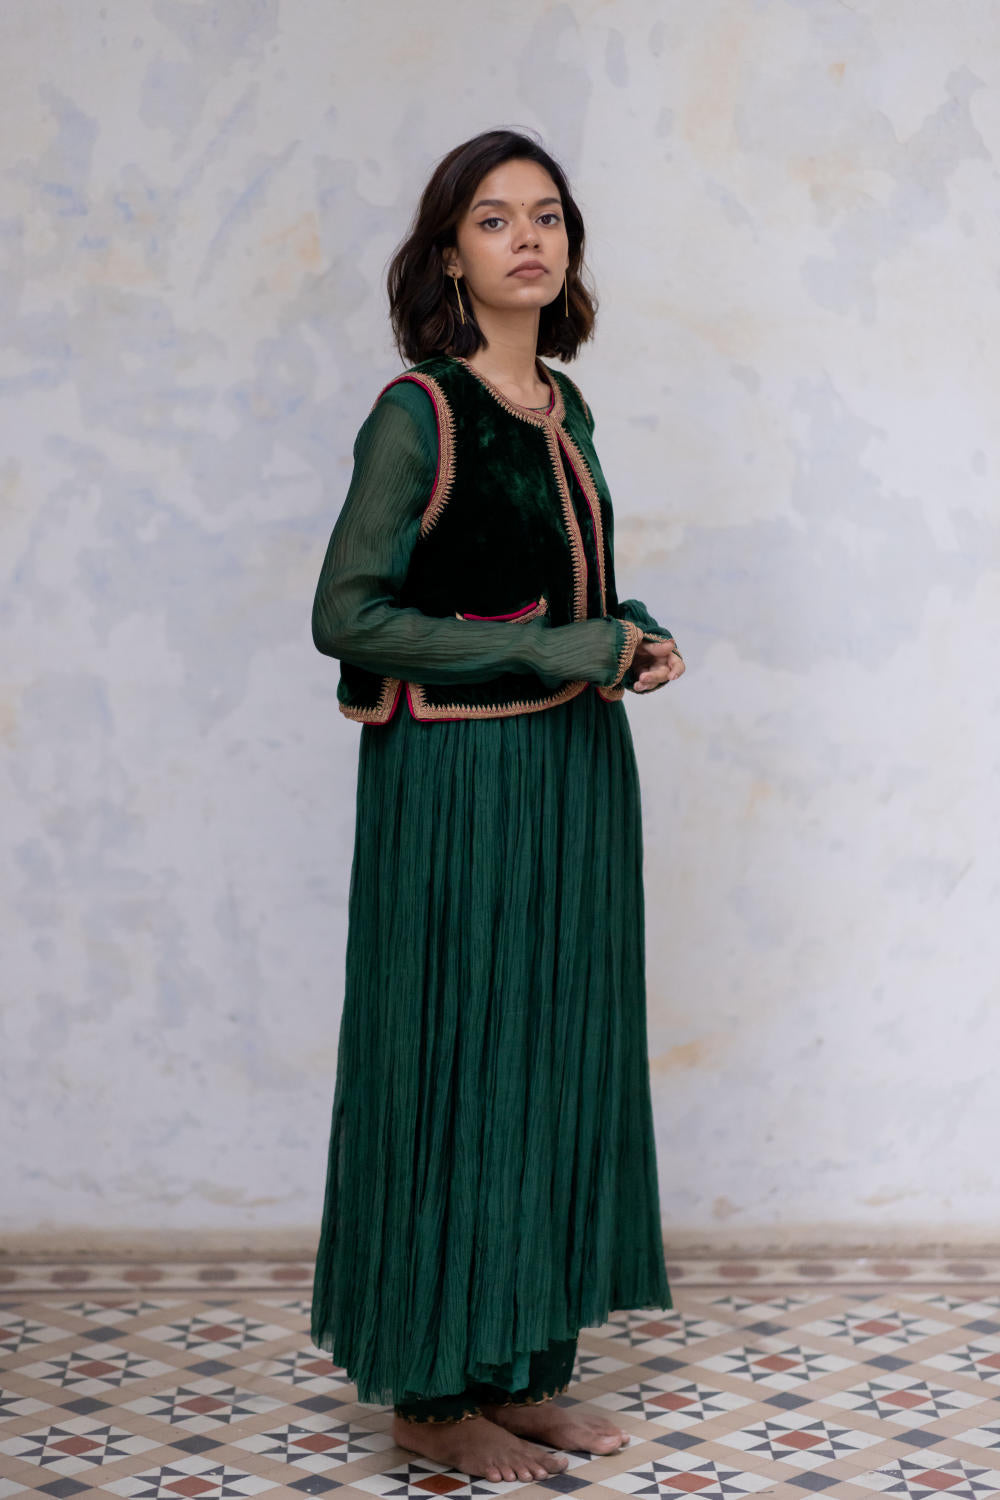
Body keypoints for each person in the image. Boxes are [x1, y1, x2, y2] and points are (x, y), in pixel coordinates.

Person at [308, 128, 685, 1485]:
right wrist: (553, 647)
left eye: (548, 215)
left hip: (575, 771)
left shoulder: (562, 408)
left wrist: (626, 633)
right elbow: (348, 615)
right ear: (449, 255)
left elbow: (557, 590)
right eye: (492, 217)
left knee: (550, 1055)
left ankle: (516, 1369)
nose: (528, 237)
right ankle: (427, 1398)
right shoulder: (419, 412)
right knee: (456, 1056)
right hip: (460, 785)